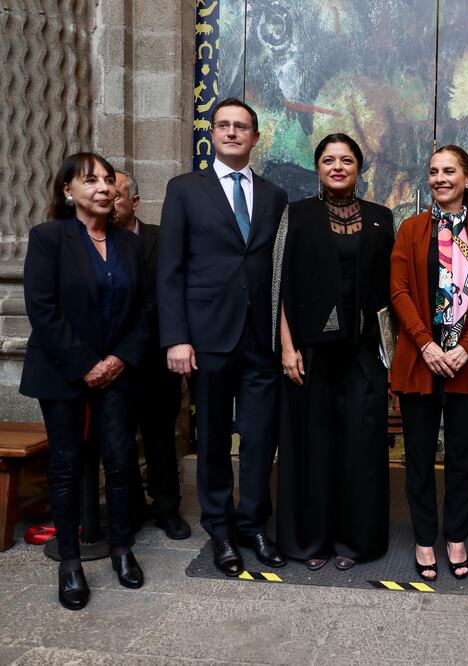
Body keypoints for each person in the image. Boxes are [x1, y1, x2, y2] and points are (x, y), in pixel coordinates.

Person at [158, 98, 288, 575]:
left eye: (242, 126)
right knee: (212, 437)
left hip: (260, 339)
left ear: (255, 137)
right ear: (212, 133)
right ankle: (220, 530)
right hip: (207, 338)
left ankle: (252, 524)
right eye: (224, 125)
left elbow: (279, 270)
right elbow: (169, 269)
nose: (232, 133)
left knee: (259, 437)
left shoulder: (274, 196)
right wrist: (176, 338)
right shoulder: (184, 190)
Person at [21, 152, 151, 609]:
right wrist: (86, 365)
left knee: (120, 462)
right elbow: (42, 308)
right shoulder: (48, 238)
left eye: (108, 180)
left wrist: (118, 359)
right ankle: (70, 563)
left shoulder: (129, 243)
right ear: (67, 190)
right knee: (66, 466)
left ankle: (122, 550)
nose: (103, 188)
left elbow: (145, 310)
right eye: (91, 180)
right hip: (63, 371)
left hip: (117, 372)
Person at [273, 134, 394, 571]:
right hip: (310, 352)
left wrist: (391, 356)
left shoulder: (381, 218)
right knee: (314, 445)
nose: (337, 167)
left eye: (346, 160)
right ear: (318, 167)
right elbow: (279, 285)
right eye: (329, 160)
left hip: (363, 352)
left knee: (361, 446)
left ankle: (355, 541)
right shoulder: (296, 215)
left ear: (359, 167)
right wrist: (287, 348)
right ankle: (312, 541)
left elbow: (391, 291)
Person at [390, 145, 468, 581]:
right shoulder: (411, 228)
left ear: (467, 178)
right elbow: (399, 290)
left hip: (467, 361)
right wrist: (425, 345)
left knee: (463, 456)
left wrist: (466, 346)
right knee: (419, 456)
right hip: (422, 358)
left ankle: (456, 536)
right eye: (434, 171)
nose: (440, 178)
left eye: (449, 171)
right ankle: (424, 539)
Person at [113, 170, 190, 540]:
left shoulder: (162, 239)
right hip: (115, 361)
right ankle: (130, 509)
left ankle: (167, 509)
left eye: (117, 195)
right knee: (119, 440)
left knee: (161, 438)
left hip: (158, 358)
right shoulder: (93, 242)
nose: (109, 201)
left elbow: (175, 290)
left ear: (135, 202)